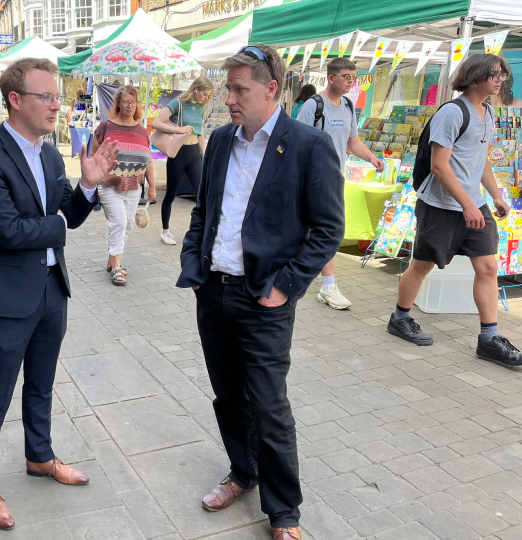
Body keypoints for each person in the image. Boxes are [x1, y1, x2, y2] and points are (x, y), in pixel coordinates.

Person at [176, 45, 344, 540]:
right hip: (215, 292)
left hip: (264, 300)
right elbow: (203, 212)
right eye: (228, 88)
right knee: (228, 396)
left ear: (271, 89)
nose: (228, 98)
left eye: (238, 89)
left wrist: (285, 287)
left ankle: (284, 512)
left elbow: (328, 229)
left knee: (268, 405)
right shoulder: (223, 140)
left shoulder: (309, 145)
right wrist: (195, 265)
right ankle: (242, 473)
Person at [0, 58, 119, 530]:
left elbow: (67, 215)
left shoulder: (52, 155)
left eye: (56, 96)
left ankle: (40, 456)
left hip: (53, 288)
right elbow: (8, 232)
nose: (57, 104)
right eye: (46, 97)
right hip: (9, 295)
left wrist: (89, 187)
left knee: (42, 384)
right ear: (15, 100)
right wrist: (55, 226)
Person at [388, 54, 522, 367]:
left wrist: (496, 196)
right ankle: (399, 318)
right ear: (474, 77)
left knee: (488, 268)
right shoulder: (452, 113)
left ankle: (489, 339)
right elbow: (440, 166)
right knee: (423, 265)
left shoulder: (488, 111)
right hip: (441, 206)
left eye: (502, 74)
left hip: (473, 205)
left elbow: (480, 160)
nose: (500, 79)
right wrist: (466, 204)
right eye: (494, 74)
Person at [296, 58, 386, 310]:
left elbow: (353, 141)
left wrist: (372, 159)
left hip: (334, 178)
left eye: (353, 77)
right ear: (331, 77)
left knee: (327, 230)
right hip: (311, 178)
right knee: (320, 230)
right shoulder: (313, 106)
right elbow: (297, 143)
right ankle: (322, 284)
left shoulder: (348, 105)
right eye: (346, 76)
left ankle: (327, 285)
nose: (351, 82)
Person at [91, 85, 157, 286]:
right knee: (119, 222)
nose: (130, 105)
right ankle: (117, 266)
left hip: (133, 187)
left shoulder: (142, 131)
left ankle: (112, 261)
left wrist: (152, 186)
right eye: (126, 101)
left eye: (133, 101)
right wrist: (92, 180)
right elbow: (94, 156)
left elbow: (149, 161)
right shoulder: (106, 127)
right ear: (118, 103)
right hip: (109, 185)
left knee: (128, 224)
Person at [152, 76, 214, 246]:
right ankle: (165, 231)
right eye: (204, 94)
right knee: (171, 194)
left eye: (208, 96)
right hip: (178, 154)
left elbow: (200, 135)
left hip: (194, 155)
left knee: (201, 195)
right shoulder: (177, 104)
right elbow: (156, 123)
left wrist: (206, 157)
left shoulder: (201, 108)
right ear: (196, 89)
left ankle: (201, 231)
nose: (205, 98)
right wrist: (179, 130)